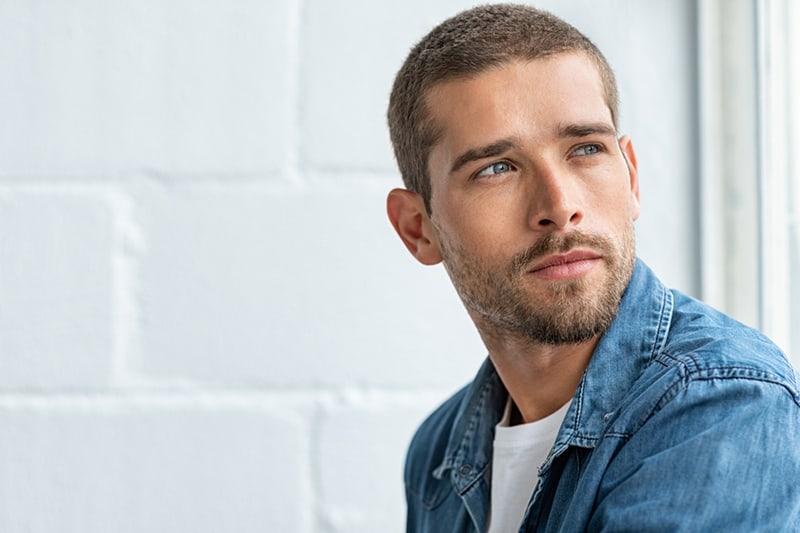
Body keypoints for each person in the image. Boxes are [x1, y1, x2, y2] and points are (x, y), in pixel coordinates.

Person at [385, 4, 800, 532]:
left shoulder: (723, 401)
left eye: (585, 148)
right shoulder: (439, 454)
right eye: (497, 168)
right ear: (418, 228)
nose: (559, 205)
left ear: (631, 179)